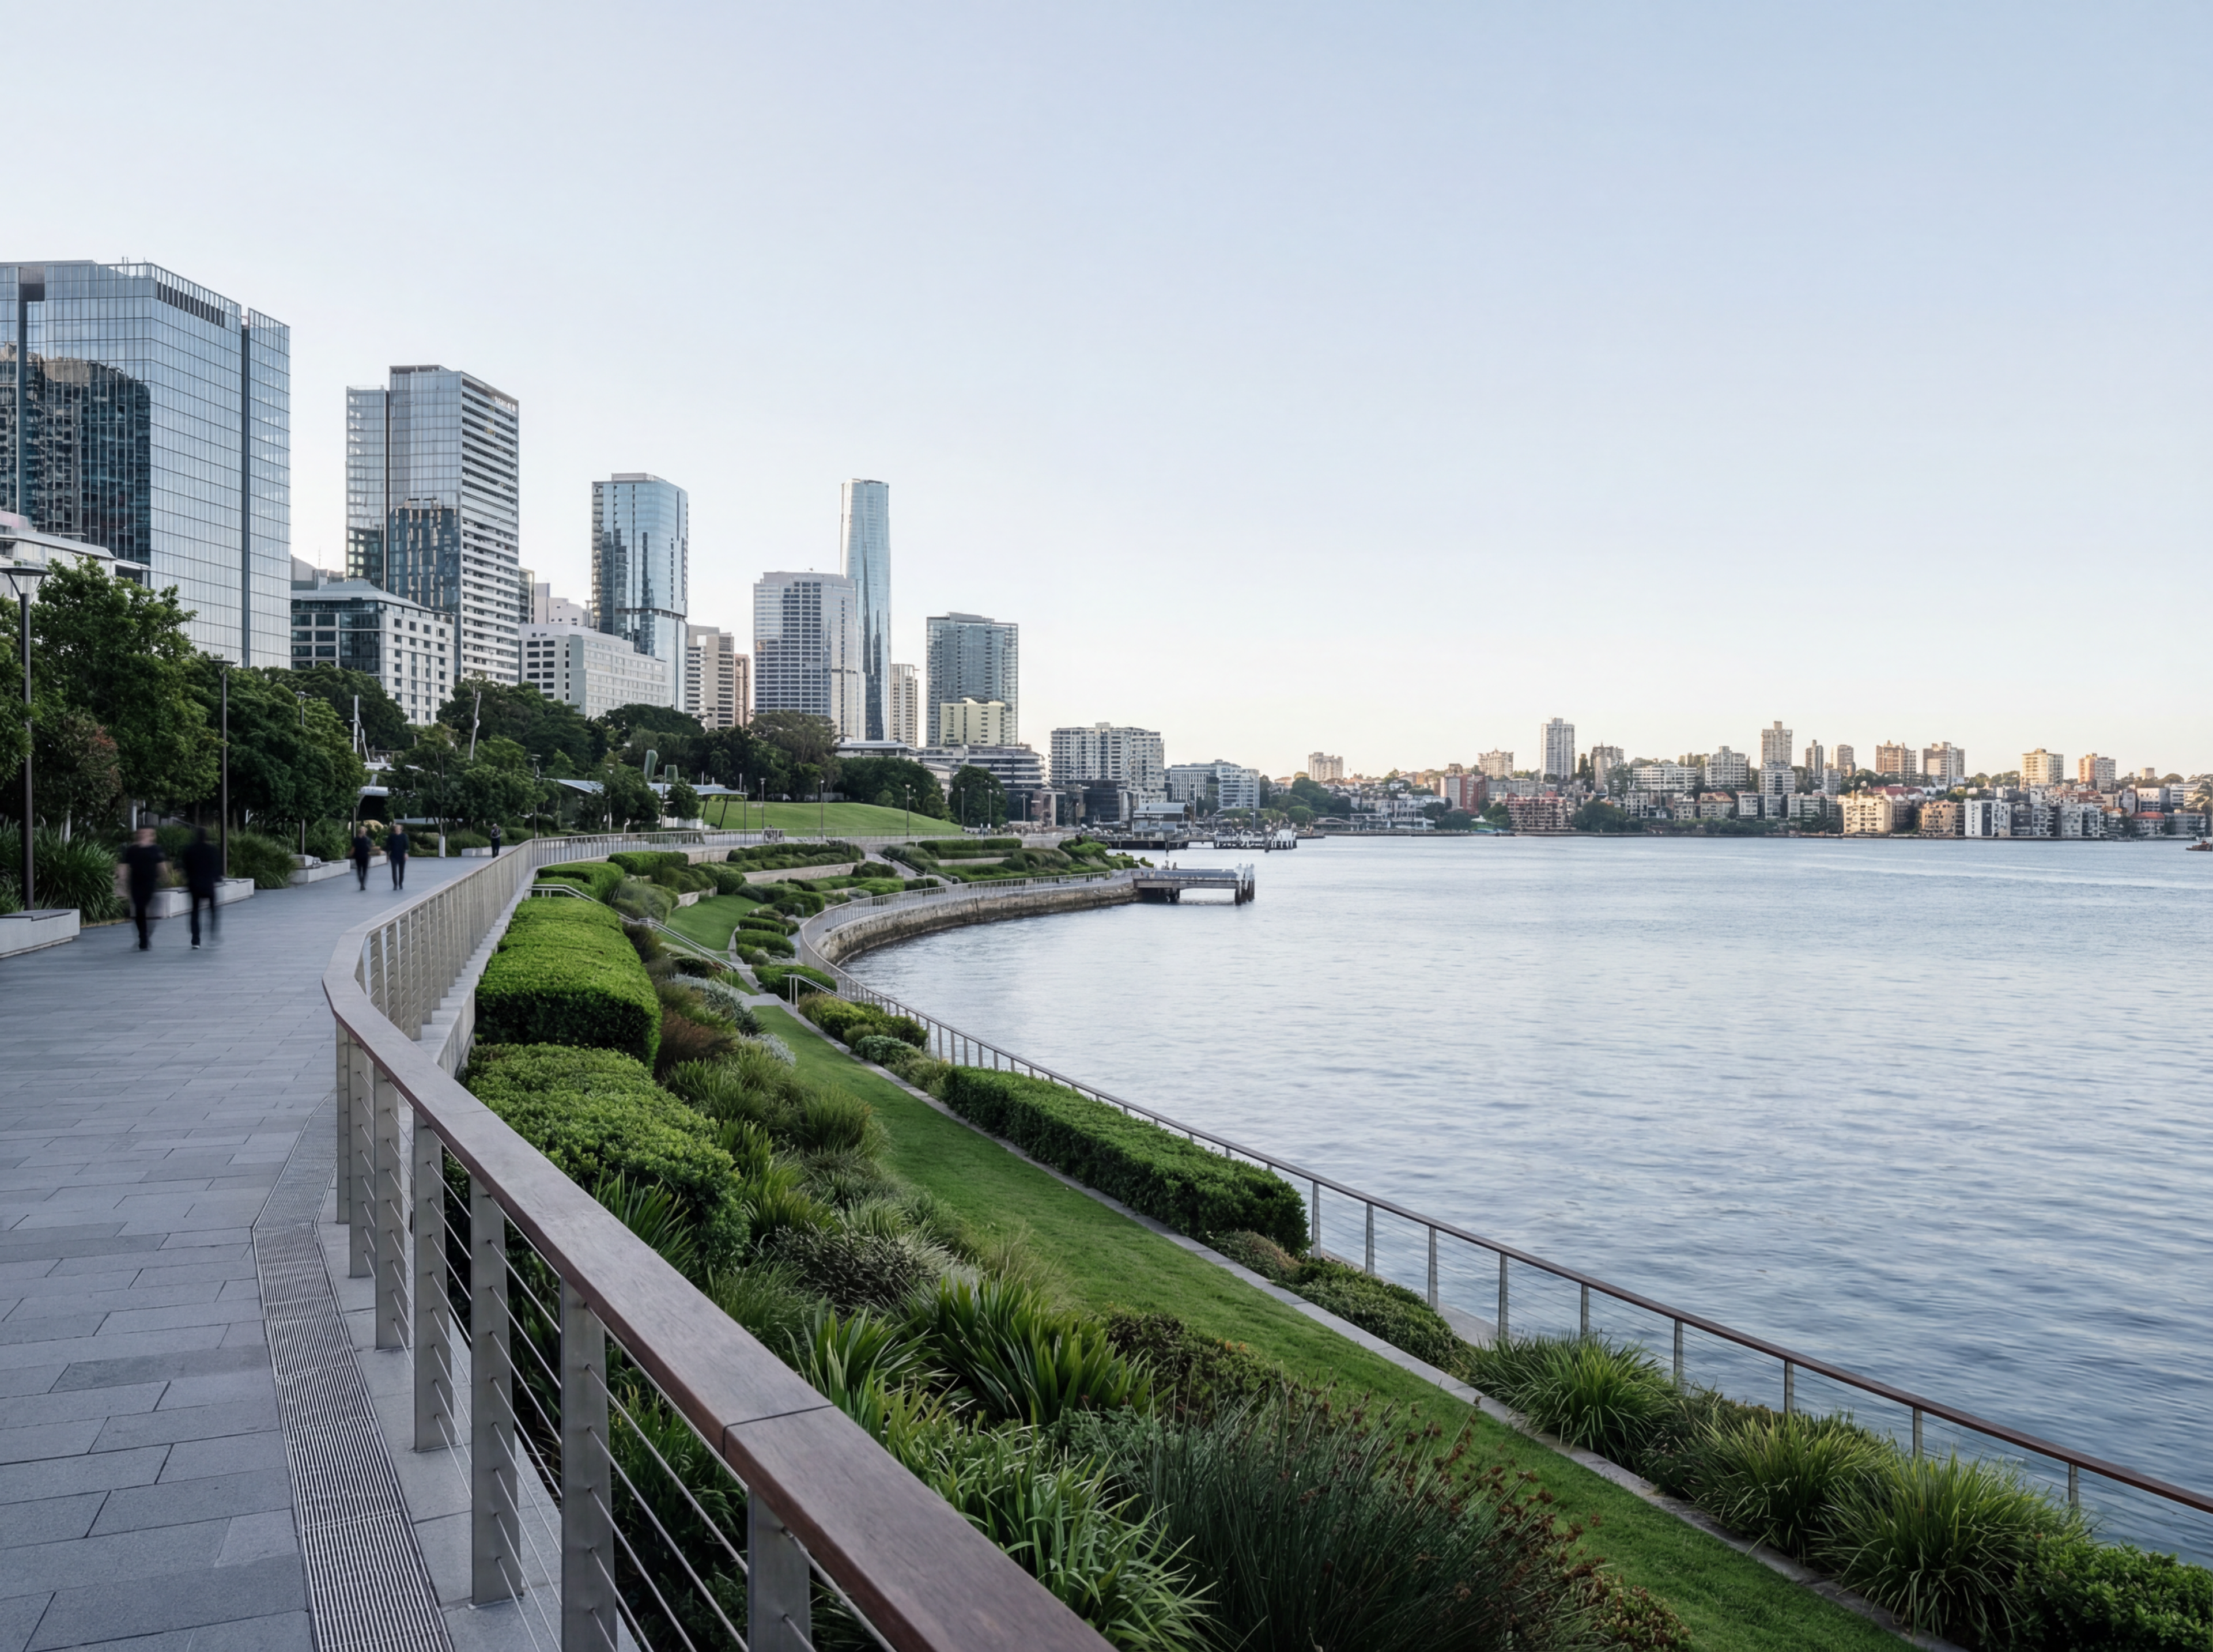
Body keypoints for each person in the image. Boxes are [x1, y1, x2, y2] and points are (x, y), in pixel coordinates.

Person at [122, 827, 167, 951]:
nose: (143, 835)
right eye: (141, 833)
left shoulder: (155, 849)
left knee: (151, 913)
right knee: (139, 911)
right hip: (136, 884)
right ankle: (143, 937)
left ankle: (146, 934)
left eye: (147, 833)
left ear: (152, 835)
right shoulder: (132, 849)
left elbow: (161, 865)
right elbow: (125, 867)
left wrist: (165, 878)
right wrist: (123, 882)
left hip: (150, 884)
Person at [182, 826, 221, 947]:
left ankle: (196, 939)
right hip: (208, 884)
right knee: (213, 910)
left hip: (194, 884)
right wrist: (217, 879)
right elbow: (216, 866)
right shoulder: (212, 849)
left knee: (195, 911)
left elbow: (186, 867)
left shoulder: (190, 850)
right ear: (206, 836)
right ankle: (213, 933)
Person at [386, 823, 410, 890]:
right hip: (393, 855)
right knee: (394, 870)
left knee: (401, 871)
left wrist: (406, 853)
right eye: (396, 829)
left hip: (401, 855)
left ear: (401, 830)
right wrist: (387, 855)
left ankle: (400, 884)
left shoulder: (404, 836)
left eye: (398, 829)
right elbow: (388, 846)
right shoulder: (391, 836)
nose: (397, 830)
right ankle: (395, 885)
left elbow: (407, 846)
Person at [351, 824, 373, 891]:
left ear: (365, 832)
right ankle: (362, 883)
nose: (362, 832)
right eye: (361, 830)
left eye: (363, 831)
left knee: (364, 870)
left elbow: (370, 848)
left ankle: (362, 883)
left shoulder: (367, 839)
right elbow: (353, 848)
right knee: (360, 870)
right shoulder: (356, 839)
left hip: (365, 856)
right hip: (359, 856)